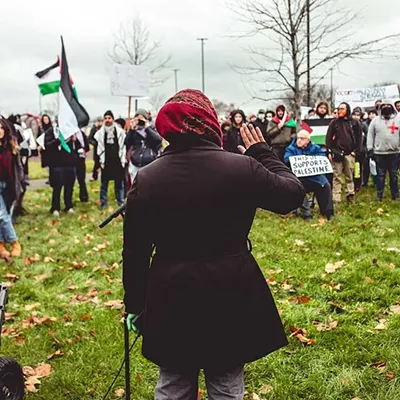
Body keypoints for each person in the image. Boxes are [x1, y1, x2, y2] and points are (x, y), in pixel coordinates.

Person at [123, 89, 305, 400]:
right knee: (225, 382)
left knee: (174, 383)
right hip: (230, 286)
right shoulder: (240, 166)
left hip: (170, 290)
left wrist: (136, 305)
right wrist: (261, 151)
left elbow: (136, 252)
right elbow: (292, 194)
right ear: (209, 124)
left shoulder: (148, 177)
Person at [285, 130, 334, 221]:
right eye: (297, 138)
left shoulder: (315, 148)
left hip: (314, 177)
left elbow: (322, 157)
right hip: (299, 178)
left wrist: (309, 159)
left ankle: (328, 212)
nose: (299, 140)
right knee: (298, 187)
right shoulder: (291, 148)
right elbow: (286, 159)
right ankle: (307, 214)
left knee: (325, 185)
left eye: (302, 138)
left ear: (308, 140)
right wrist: (298, 159)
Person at [325, 102, 363, 203]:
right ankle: (336, 198)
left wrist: (356, 152)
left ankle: (350, 195)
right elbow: (328, 137)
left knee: (349, 176)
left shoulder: (354, 123)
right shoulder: (334, 123)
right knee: (336, 177)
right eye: (338, 109)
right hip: (337, 153)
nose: (339, 111)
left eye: (342, 109)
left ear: (347, 110)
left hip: (350, 154)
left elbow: (359, 138)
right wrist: (329, 151)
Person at [0, 119, 24, 258]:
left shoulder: (12, 146)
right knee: (2, 216)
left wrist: (21, 182)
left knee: (6, 215)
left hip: (9, 186)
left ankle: (1, 244)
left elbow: (18, 168)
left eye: (1, 128)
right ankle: (14, 242)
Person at [367, 101, 400, 201]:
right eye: (384, 106)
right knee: (380, 175)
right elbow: (370, 135)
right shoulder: (375, 121)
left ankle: (395, 195)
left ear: (392, 107)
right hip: (379, 153)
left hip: (394, 152)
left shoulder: (398, 119)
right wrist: (370, 149)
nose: (386, 107)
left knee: (394, 175)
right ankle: (379, 195)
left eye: (388, 106)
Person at [94, 110, 126, 208]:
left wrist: (123, 159)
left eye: (109, 118)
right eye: (106, 118)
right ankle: (103, 203)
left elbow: (123, 146)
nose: (107, 120)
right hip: (106, 161)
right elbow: (98, 148)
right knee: (104, 184)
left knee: (119, 184)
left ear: (113, 119)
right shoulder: (100, 133)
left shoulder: (120, 132)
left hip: (117, 161)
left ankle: (120, 202)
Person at [44, 120, 77, 216]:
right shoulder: (50, 132)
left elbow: (77, 146)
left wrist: (74, 140)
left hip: (69, 163)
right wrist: (58, 140)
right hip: (56, 164)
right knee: (57, 187)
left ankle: (69, 206)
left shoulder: (70, 132)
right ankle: (55, 207)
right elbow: (47, 145)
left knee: (69, 186)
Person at [125, 109, 162, 186]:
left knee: (148, 185)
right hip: (135, 161)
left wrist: (147, 127)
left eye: (142, 118)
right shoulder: (133, 131)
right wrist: (131, 130)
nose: (140, 121)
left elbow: (158, 140)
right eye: (138, 119)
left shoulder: (151, 129)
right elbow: (127, 143)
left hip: (149, 162)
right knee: (135, 185)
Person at [72, 129, 90, 203]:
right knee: (70, 180)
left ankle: (84, 197)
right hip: (71, 159)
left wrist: (77, 142)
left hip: (80, 159)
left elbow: (86, 146)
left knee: (81, 179)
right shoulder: (68, 134)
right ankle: (69, 200)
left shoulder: (81, 133)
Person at [351, 107, 366, 192]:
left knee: (358, 168)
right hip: (351, 150)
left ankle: (357, 184)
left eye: (358, 115)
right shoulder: (349, 125)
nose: (356, 117)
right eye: (354, 115)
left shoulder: (363, 125)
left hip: (360, 151)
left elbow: (366, 137)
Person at [362, 109, 378, 187]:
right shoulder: (364, 124)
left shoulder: (379, 123)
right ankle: (365, 181)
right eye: (370, 113)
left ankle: (376, 181)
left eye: (373, 113)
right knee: (366, 166)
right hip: (366, 148)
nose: (371, 115)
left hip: (378, 147)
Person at [89, 116, 103, 181]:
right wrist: (94, 143)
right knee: (96, 162)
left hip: (103, 148)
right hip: (97, 148)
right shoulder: (94, 129)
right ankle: (95, 176)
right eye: (99, 121)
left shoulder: (104, 129)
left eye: (101, 121)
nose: (100, 123)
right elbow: (89, 138)